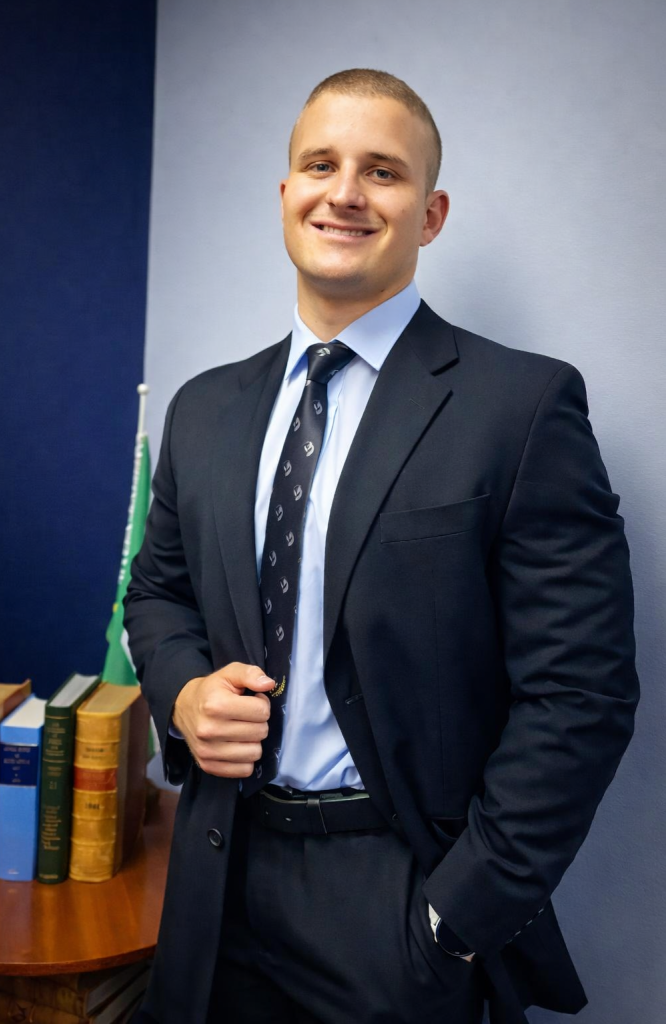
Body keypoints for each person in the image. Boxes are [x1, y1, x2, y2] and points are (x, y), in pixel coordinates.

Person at [123, 69, 639, 1024]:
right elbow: (157, 595)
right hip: (213, 879)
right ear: (286, 193)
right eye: (321, 165)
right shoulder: (204, 409)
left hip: (395, 905)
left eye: (383, 172)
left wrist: (453, 919)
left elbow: (581, 693)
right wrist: (185, 694)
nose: (346, 193)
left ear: (429, 214)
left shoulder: (520, 407)